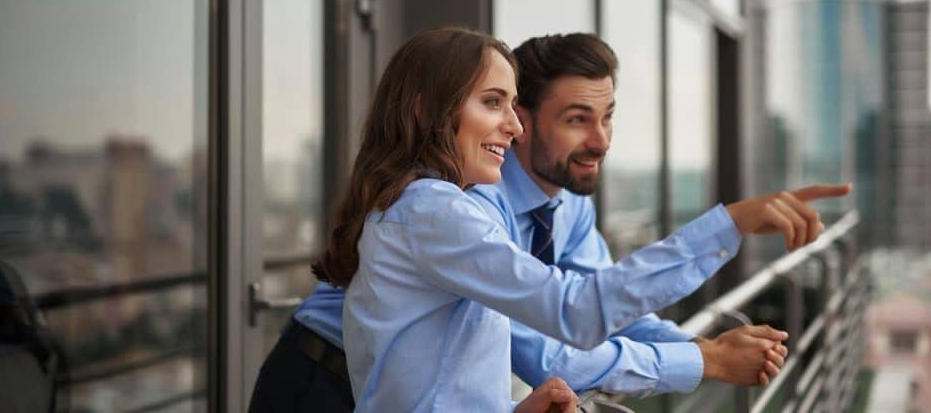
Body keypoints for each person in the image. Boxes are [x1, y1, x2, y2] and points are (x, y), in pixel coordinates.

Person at [249, 30, 849, 411]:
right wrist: (727, 234)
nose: (601, 141)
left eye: (607, 117)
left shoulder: (561, 202)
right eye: (577, 119)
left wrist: (695, 344)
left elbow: (602, 308)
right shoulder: (452, 208)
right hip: (317, 381)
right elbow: (570, 321)